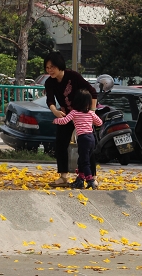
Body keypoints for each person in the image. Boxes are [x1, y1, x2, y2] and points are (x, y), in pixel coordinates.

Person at [43, 51, 98, 187]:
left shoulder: (73, 76)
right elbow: (50, 99)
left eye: (52, 67)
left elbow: (93, 92)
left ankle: (93, 177)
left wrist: (91, 113)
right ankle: (63, 176)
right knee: (60, 143)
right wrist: (55, 111)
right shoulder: (50, 82)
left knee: (87, 146)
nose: (50, 70)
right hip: (66, 115)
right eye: (47, 67)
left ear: (60, 65)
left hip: (82, 115)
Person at [53, 89, 102, 189]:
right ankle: (80, 179)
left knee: (84, 161)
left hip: (83, 139)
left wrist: (56, 120)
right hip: (91, 138)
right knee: (82, 160)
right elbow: (99, 122)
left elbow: (65, 121)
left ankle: (90, 180)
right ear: (88, 103)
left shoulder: (74, 113)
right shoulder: (90, 113)